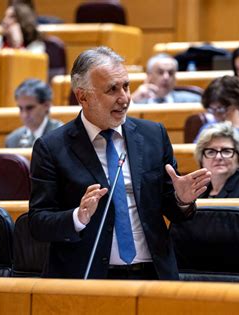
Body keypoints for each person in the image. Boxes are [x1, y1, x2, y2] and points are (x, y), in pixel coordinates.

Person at [28, 46, 212, 280]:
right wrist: (78, 217)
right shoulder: (51, 147)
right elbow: (38, 223)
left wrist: (182, 200)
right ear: (82, 96)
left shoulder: (153, 135)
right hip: (88, 279)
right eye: (112, 90)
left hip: (152, 276)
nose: (124, 99)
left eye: (126, 86)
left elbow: (171, 208)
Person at [5, 79, 63, 148]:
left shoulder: (62, 136)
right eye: (21, 108)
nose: (24, 115)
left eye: (30, 108)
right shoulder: (13, 140)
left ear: (46, 105)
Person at [131, 53, 201, 104]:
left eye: (170, 73)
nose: (166, 77)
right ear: (149, 76)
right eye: (160, 72)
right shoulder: (136, 102)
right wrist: (132, 101)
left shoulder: (192, 101)